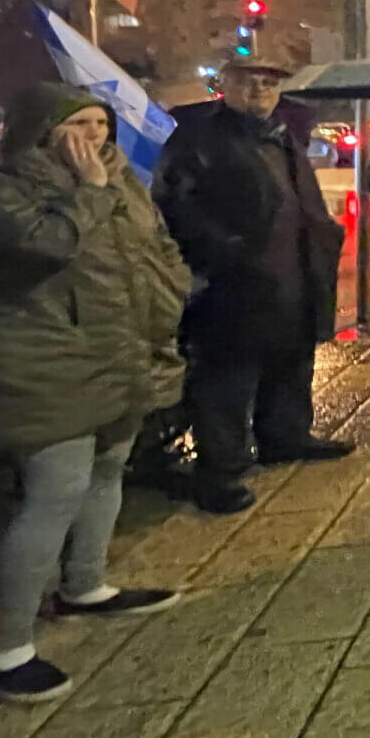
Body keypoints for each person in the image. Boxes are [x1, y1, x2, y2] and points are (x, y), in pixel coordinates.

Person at [0, 86, 191, 705]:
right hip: (50, 365)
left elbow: (155, 246)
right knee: (52, 496)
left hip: (123, 354)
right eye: (76, 123)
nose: (94, 135)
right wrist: (88, 191)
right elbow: (47, 245)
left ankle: (85, 585)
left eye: (100, 123)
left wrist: (176, 290)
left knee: (108, 472)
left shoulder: (123, 181)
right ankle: (7, 650)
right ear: (40, 130)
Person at [154, 59, 352, 515]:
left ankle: (285, 437)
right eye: (248, 82)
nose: (260, 89)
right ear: (224, 86)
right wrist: (226, 251)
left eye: (269, 82)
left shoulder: (280, 133)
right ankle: (220, 470)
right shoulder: (200, 136)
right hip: (236, 278)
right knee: (229, 375)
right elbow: (177, 203)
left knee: (290, 355)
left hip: (296, 270)